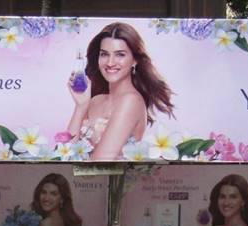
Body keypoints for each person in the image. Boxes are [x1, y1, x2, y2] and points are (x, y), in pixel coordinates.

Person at [65, 22, 175, 160]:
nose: (110, 62)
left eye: (120, 55)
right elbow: (64, 154)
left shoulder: (131, 101)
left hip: (111, 181)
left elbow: (100, 164)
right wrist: (80, 107)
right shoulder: (95, 101)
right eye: (104, 54)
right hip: (82, 181)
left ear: (134, 59)